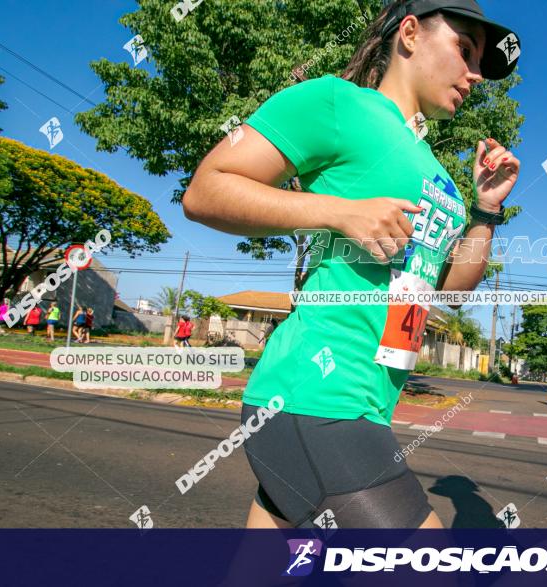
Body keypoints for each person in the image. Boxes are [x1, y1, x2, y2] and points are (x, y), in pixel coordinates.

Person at [183, 0, 521, 529]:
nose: (476, 74)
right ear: (410, 34)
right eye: (465, 49)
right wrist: (340, 213)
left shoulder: (441, 177)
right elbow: (206, 191)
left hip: (370, 404)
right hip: (316, 396)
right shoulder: (336, 102)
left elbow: (450, 289)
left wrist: (484, 209)